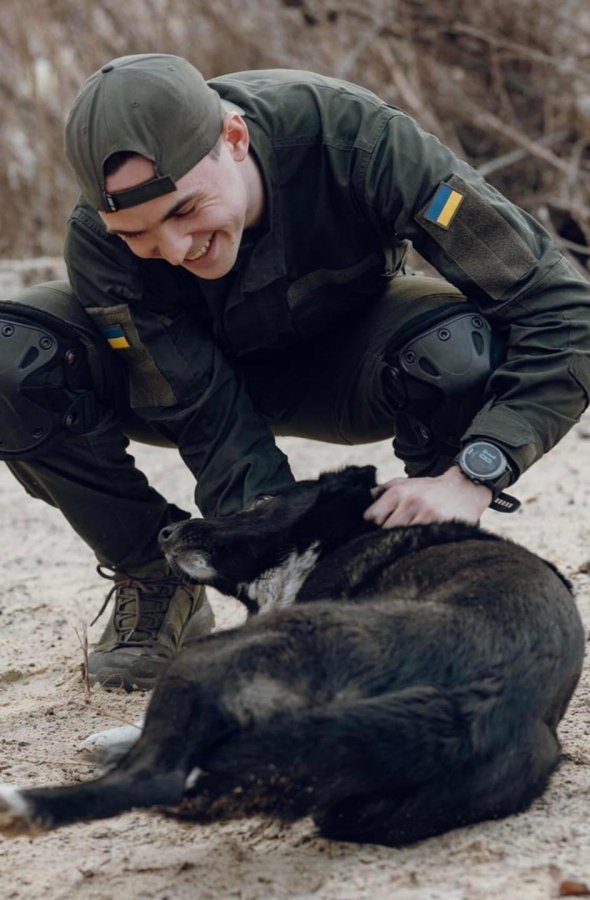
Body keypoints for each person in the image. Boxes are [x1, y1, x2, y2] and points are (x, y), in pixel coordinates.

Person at [1, 53, 589, 691]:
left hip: (344, 360)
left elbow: (560, 309)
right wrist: (273, 561)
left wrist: (474, 474)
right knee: (10, 353)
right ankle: (156, 575)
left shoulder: (358, 139)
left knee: (455, 349)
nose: (173, 250)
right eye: (136, 234)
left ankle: (419, 562)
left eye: (183, 210)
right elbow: (202, 411)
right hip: (187, 387)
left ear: (234, 138)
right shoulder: (95, 240)